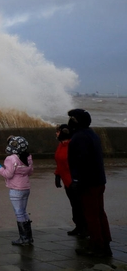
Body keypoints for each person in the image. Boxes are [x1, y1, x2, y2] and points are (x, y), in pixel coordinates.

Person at [67, 108, 112, 257]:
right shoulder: (91, 134)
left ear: (77, 121)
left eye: (72, 119)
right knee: (100, 213)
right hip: (98, 180)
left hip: (88, 183)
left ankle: (97, 246)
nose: (69, 122)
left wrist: (77, 181)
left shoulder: (79, 137)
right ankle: (105, 243)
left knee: (91, 215)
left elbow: (81, 161)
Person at [0, 135, 34, 246]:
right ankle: (29, 237)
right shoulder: (28, 157)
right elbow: (30, 172)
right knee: (23, 212)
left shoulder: (11, 159)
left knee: (19, 213)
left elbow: (8, 175)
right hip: (26, 188)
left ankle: (24, 239)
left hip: (15, 189)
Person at [53, 124, 87, 237]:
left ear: (64, 132)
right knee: (74, 204)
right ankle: (78, 226)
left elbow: (78, 164)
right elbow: (59, 162)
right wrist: (57, 175)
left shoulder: (72, 146)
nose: (56, 134)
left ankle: (85, 228)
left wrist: (76, 180)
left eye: (58, 132)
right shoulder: (61, 145)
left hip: (75, 181)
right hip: (67, 181)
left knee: (80, 205)